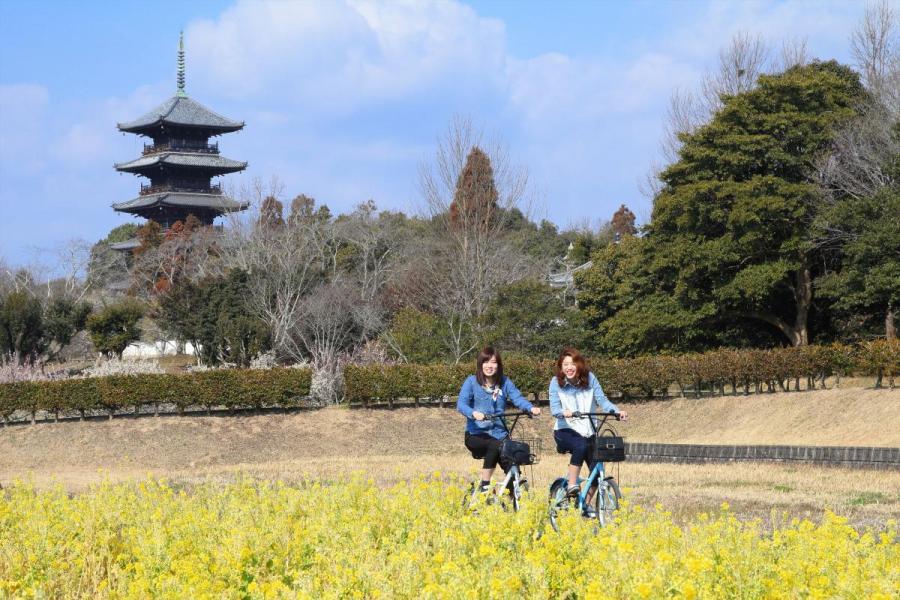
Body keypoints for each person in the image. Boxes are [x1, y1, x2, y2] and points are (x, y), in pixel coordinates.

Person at [549, 347, 628, 516]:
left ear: (579, 365)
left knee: (597, 473)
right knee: (580, 446)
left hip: (589, 430)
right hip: (565, 430)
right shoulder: (556, 382)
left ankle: (584, 505)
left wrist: (616, 411)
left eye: (572, 364)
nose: (569, 368)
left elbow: (603, 400)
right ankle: (571, 485)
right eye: (565, 365)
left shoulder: (590, 379)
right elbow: (554, 408)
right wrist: (564, 412)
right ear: (561, 367)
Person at [457, 346, 541, 492]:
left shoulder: (505, 382)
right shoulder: (471, 382)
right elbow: (461, 404)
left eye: (494, 362)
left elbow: (517, 398)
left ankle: (511, 496)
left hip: (500, 433)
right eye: (486, 362)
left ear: (499, 365)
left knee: (513, 458)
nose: (490, 366)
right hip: (476, 435)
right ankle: (485, 486)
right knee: (495, 445)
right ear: (480, 364)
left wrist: (530, 408)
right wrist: (474, 413)